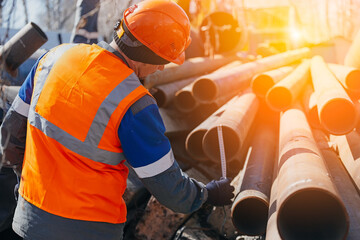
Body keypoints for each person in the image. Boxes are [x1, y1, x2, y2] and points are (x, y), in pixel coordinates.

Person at [0, 0, 234, 239]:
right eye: (163, 58)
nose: (162, 68)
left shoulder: (52, 58)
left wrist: (27, 188)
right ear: (148, 53)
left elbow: (10, 138)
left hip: (28, 220)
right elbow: (169, 188)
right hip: (89, 230)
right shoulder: (135, 102)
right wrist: (206, 195)